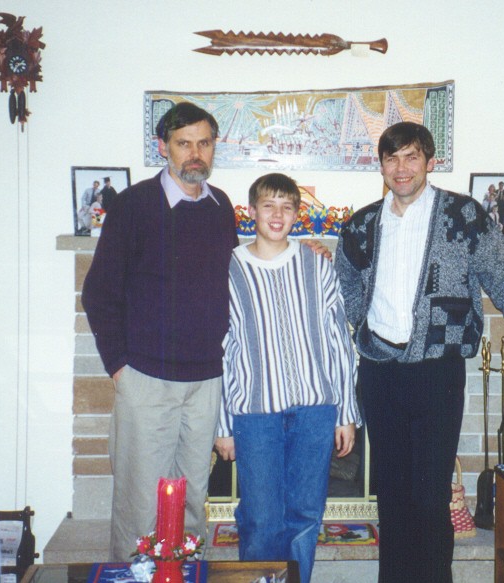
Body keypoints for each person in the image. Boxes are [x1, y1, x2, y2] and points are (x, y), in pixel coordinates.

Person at [335, 122, 504, 583]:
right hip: (380, 373)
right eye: (392, 158)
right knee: (392, 498)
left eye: (411, 157)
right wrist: (360, 316)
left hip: (437, 374)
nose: (401, 168)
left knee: (431, 499)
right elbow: (345, 279)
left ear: (430, 162)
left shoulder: (464, 216)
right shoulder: (362, 225)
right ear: (381, 166)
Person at [81, 103, 238, 561]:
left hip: (206, 382)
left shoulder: (221, 207)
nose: (195, 154)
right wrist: (119, 368)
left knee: (191, 503)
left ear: (214, 146)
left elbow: (235, 281)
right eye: (184, 143)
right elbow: (99, 293)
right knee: (141, 508)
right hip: (146, 380)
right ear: (163, 147)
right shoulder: (133, 205)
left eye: (203, 143)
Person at [214, 173, 361, 583]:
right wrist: (223, 426)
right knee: (260, 518)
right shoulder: (229, 269)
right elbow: (221, 349)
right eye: (268, 205)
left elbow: (339, 341)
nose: (277, 215)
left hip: (315, 412)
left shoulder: (317, 265)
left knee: (305, 515)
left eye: (286, 206)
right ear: (251, 211)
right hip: (255, 415)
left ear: (297, 214)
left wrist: (346, 414)